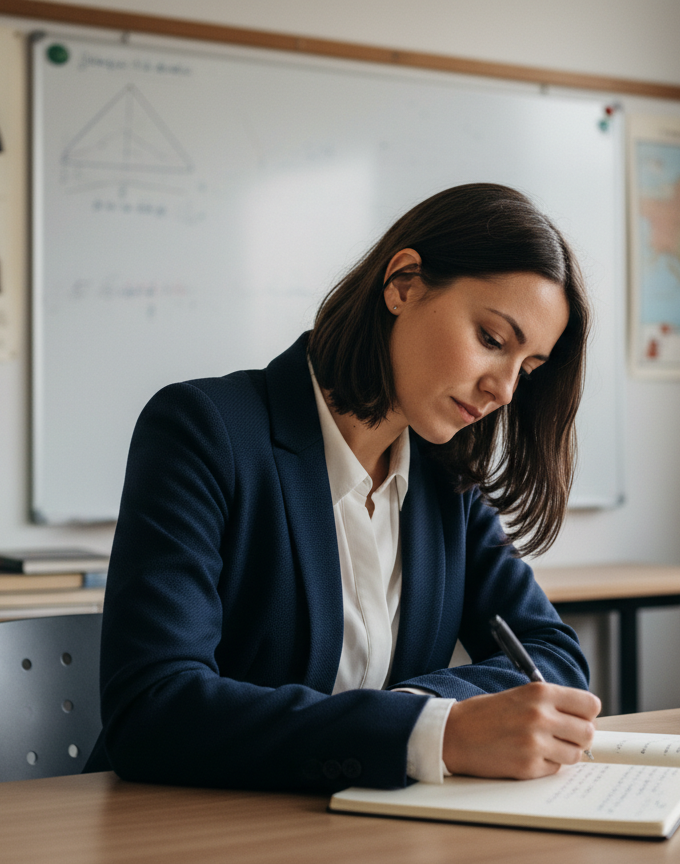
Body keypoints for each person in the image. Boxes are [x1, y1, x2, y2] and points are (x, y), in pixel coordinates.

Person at [89, 183, 600, 793]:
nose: (505, 390)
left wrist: (423, 719)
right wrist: (431, 731)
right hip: (186, 830)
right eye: (492, 340)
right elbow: (154, 710)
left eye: (528, 369)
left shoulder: (445, 478)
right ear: (403, 283)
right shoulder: (203, 431)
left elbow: (553, 655)